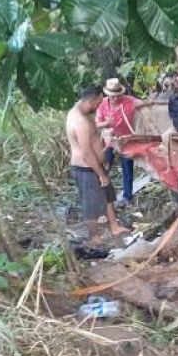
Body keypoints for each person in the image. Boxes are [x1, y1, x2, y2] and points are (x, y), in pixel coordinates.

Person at [66, 86, 130, 245]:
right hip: (86, 168)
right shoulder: (80, 121)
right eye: (98, 103)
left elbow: (93, 133)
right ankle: (94, 236)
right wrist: (100, 174)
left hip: (95, 165)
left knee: (108, 197)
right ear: (91, 100)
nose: (98, 106)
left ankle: (114, 226)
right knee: (91, 205)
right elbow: (87, 152)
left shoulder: (83, 114)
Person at [96, 78, 137, 205]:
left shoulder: (130, 101)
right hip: (108, 139)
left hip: (125, 140)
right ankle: (103, 196)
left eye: (117, 96)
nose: (115, 99)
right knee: (104, 167)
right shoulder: (102, 104)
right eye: (112, 96)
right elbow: (97, 123)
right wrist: (106, 123)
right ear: (108, 95)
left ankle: (127, 197)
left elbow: (145, 104)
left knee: (127, 169)